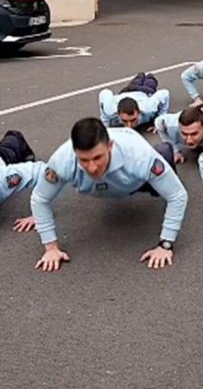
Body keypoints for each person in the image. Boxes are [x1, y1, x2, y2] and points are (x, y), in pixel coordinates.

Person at [30, 118, 188, 272]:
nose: (92, 167)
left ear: (110, 146)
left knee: (164, 160)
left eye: (97, 157)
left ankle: (164, 155)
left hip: (136, 183)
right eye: (84, 160)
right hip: (98, 187)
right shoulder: (62, 160)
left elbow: (177, 196)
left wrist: (166, 244)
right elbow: (40, 199)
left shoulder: (139, 156)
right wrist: (50, 247)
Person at [1, 130, 44, 232]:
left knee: (10, 146)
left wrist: (40, 213)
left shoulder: (5, 179)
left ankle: (16, 138)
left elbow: (44, 172)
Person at [98, 72, 170, 129]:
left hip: (145, 91)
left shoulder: (149, 108)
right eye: (124, 121)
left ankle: (147, 75)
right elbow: (104, 92)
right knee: (137, 80)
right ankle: (140, 75)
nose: (129, 126)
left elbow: (165, 93)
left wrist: (159, 120)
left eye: (133, 120)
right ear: (118, 114)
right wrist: (105, 127)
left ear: (139, 112)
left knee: (150, 81)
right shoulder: (109, 111)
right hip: (125, 92)